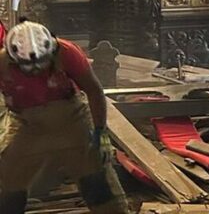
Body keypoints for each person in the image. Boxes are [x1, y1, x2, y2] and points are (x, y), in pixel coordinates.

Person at [0, 21, 128, 214]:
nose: (35, 71)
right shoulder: (2, 63)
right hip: (27, 124)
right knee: (7, 178)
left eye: (40, 64)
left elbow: (94, 91)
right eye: (28, 66)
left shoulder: (67, 52)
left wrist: (101, 133)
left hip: (71, 118)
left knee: (97, 177)